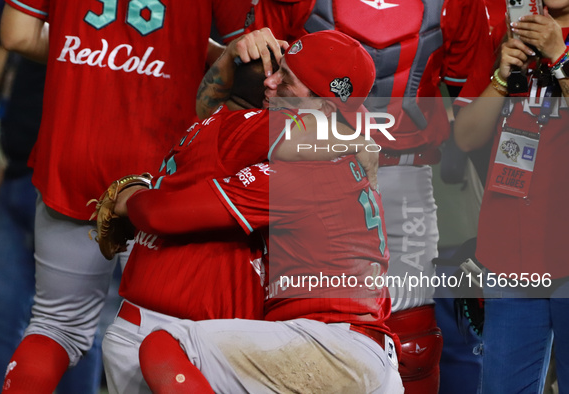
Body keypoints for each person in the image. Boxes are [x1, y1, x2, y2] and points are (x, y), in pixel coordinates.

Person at [104, 29, 401, 393]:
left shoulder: (298, 166)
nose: (270, 82)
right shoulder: (337, 157)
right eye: (278, 68)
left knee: (168, 346)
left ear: (323, 108)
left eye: (287, 79)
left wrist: (130, 195)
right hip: (370, 357)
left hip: (325, 349)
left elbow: (161, 215)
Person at [0, 0, 254, 391]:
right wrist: (179, 49)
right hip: (164, 174)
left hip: (72, 152)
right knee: (169, 338)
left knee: (56, 326)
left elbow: (16, 34)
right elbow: (250, 65)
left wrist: (84, 53)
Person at [454, 2, 569, 392]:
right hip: (511, 253)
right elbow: (465, 136)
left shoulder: (554, 47)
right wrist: (501, 79)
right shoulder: (508, 35)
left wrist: (559, 57)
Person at [0, 53, 109, 394]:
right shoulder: (28, 37)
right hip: (18, 174)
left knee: (70, 325)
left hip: (70, 187)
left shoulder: (76, 31)